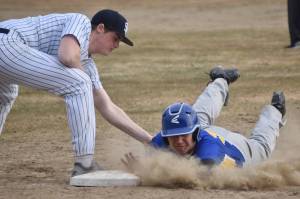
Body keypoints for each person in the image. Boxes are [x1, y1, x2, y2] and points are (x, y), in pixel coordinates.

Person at [0, 9, 153, 176]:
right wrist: (84, 82)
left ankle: (85, 163)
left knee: (6, 95)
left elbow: (107, 106)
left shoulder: (86, 63)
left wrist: (148, 140)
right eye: (115, 38)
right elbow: (67, 56)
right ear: (100, 28)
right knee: (80, 83)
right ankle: (84, 165)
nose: (117, 45)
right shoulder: (80, 22)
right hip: (7, 43)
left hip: (7, 49)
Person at [148, 67, 286, 168]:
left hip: (239, 147)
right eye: (173, 136)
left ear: (195, 133)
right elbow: (150, 155)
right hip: (206, 133)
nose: (178, 141)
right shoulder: (163, 140)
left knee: (261, 146)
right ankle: (221, 79)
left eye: (183, 135)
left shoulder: (209, 152)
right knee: (198, 114)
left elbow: (195, 177)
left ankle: (276, 110)